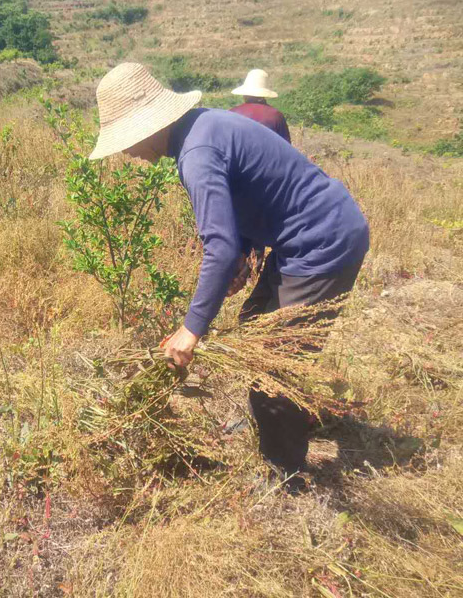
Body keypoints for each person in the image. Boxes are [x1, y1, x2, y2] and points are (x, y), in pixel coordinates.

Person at [89, 63, 369, 479]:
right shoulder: (205, 126)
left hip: (321, 242)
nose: (128, 153)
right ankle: (275, 426)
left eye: (126, 142)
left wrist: (191, 329)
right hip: (306, 235)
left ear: (147, 127)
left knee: (272, 366)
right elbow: (254, 194)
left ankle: (284, 473)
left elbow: (216, 249)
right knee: (256, 327)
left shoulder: (196, 154)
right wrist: (244, 252)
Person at [229, 69, 291, 144]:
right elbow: (286, 146)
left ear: (244, 95)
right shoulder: (275, 115)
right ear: (264, 95)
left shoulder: (232, 113)